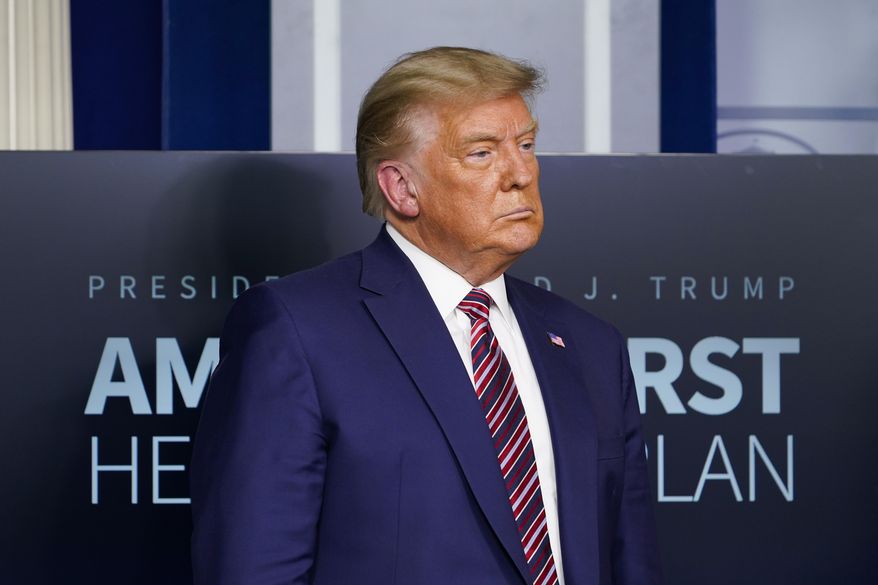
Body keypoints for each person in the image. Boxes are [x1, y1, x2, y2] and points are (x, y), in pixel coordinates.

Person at [190, 46, 662, 585]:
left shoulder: (590, 343)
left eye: (526, 144)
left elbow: (631, 561)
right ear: (401, 187)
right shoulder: (297, 330)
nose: (520, 173)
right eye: (482, 153)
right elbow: (254, 568)